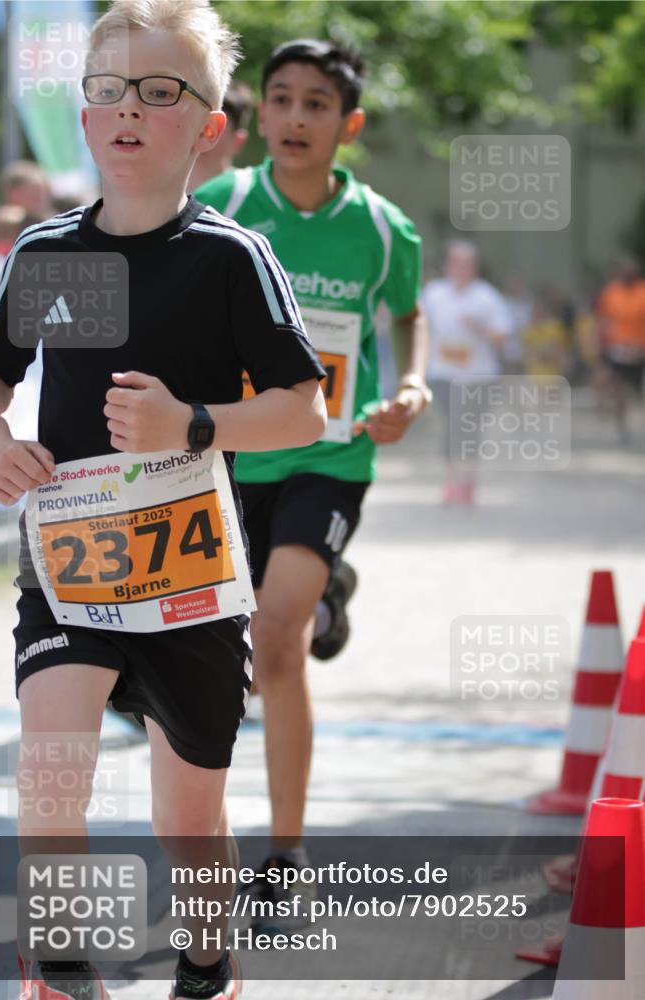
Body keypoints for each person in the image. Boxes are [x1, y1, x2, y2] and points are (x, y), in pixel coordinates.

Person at [0, 2, 326, 999]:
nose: (129, 108)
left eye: (160, 91)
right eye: (110, 90)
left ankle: (207, 959)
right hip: (71, 561)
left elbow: (304, 412)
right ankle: (61, 967)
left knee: (188, 818)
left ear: (209, 128)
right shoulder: (48, 255)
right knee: (52, 768)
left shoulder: (229, 258)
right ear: (86, 116)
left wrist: (193, 424)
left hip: (190, 578)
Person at [195, 38, 430, 912]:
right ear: (260, 113)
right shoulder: (223, 206)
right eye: (282, 99)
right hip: (229, 455)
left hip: (330, 455)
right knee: (221, 654)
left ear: (349, 125)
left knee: (276, 637)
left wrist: (412, 385)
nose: (296, 117)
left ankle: (285, 849)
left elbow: (408, 314)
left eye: (317, 104)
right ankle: (327, 595)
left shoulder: (382, 227)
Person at [421, 240, 512, 505]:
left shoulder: (487, 296)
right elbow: (418, 327)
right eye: (457, 263)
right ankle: (452, 479)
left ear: (475, 267)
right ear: (448, 265)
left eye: (467, 264)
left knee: (468, 426)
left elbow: (503, 336)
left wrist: (479, 328)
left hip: (478, 376)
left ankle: (467, 476)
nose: (461, 268)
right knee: (452, 424)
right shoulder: (433, 293)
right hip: (442, 373)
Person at [593, 257, 645, 441]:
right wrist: (599, 344)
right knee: (619, 390)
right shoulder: (611, 292)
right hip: (617, 349)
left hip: (640, 349)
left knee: (636, 392)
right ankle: (622, 427)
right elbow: (602, 320)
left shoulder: (642, 291)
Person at [188, 80, 254, 190]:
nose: (203, 135)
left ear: (239, 141)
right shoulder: (162, 187)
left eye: (216, 130)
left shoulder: (247, 192)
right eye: (201, 124)